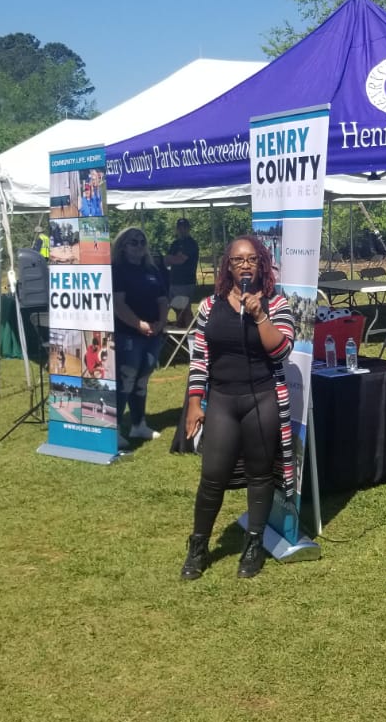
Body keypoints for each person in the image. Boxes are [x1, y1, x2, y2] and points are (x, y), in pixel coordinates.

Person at [179, 235, 295, 580]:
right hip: (223, 401)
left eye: (251, 260)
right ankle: (198, 547)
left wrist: (260, 315)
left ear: (262, 263)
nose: (245, 265)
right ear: (227, 266)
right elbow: (199, 359)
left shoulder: (276, 303)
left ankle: (253, 545)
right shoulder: (209, 306)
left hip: (262, 398)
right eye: (237, 260)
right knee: (212, 476)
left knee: (260, 475)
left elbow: (281, 351)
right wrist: (195, 404)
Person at [109, 226, 170, 448]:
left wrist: (160, 323)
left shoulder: (152, 269)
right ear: (123, 246)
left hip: (153, 333)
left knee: (143, 377)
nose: (139, 246)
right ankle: (113, 427)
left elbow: (163, 299)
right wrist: (139, 324)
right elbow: (118, 304)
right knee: (126, 379)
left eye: (142, 242)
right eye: (134, 242)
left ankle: (138, 424)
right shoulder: (118, 270)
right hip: (128, 334)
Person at [163, 218, 200, 328]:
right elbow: (167, 260)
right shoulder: (175, 243)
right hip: (173, 281)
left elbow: (179, 260)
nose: (182, 229)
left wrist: (173, 258)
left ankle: (191, 336)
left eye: (184, 227)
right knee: (177, 310)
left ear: (189, 228)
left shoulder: (191, 244)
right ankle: (181, 333)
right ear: (177, 229)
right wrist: (173, 258)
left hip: (186, 282)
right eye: (179, 227)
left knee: (185, 309)